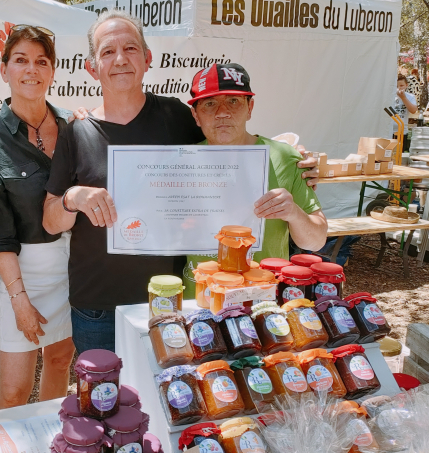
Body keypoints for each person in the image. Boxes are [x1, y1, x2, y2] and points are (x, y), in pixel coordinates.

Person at [42, 10, 318, 353]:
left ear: (147, 59)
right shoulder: (77, 132)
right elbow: (50, 220)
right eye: (108, 51)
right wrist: (72, 198)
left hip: (175, 300)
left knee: (175, 384)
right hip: (98, 306)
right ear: (91, 67)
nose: (120, 59)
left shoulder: (175, 116)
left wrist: (293, 159)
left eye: (130, 48)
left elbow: (230, 143)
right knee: (105, 387)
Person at [0, 25, 76, 408]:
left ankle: (53, 436)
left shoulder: (74, 127)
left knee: (61, 362)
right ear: (4, 70)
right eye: (21, 60)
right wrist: (19, 299)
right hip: (22, 272)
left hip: (74, 265)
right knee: (15, 388)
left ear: (52, 72)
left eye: (41, 61)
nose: (32, 69)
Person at [187, 63, 327, 259]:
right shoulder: (182, 162)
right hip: (200, 280)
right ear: (195, 115)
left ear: (250, 108)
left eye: (233, 101)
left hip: (266, 279)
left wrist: (294, 213)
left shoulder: (284, 158)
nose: (222, 112)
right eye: (209, 104)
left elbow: (316, 241)